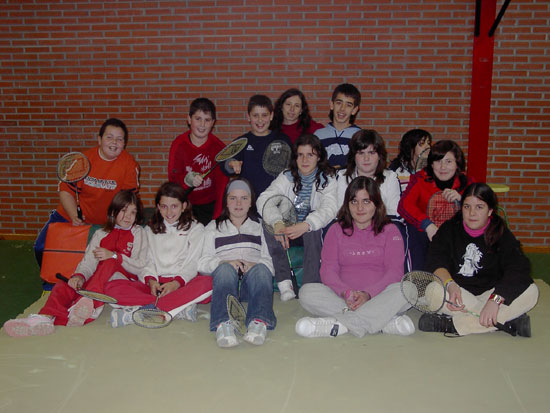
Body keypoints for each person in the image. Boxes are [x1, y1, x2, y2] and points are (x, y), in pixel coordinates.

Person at [4, 190, 148, 337]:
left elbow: (139, 265)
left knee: (109, 263)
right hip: (97, 281)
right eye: (123, 210)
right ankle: (45, 317)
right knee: (65, 284)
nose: (128, 216)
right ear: (113, 211)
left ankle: (83, 305)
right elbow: (88, 262)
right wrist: (79, 277)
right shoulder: (101, 234)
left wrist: (115, 256)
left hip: (122, 282)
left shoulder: (138, 233)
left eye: (133, 212)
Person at [295, 176, 414, 338]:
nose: (360, 208)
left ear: (377, 203)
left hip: (379, 295)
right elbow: (328, 270)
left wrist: (368, 294)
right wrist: (346, 293)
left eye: (366, 201)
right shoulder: (336, 230)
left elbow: (395, 272)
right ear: (347, 204)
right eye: (354, 201)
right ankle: (383, 322)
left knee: (409, 289)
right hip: (344, 298)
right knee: (307, 292)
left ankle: (340, 325)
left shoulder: (391, 230)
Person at [419, 183, 538, 336]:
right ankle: (507, 321)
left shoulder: (501, 233)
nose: (472, 213)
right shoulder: (449, 229)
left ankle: (451, 325)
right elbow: (434, 260)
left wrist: (495, 300)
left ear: (490, 211)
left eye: (479, 207)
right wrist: (450, 284)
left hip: (491, 293)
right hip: (459, 295)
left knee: (531, 291)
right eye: (467, 207)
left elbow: (519, 268)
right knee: (433, 291)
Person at [103, 182, 212, 327]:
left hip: (181, 283)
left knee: (208, 283)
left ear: (184, 206)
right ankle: (175, 309)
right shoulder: (149, 230)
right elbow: (147, 261)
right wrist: (151, 281)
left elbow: (192, 263)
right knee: (112, 287)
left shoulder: (196, 228)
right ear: (158, 207)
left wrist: (176, 283)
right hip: (154, 286)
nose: (169, 212)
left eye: (174, 206)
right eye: (164, 207)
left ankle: (139, 311)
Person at [34, 118, 140, 266]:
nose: (114, 142)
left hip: (103, 224)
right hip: (68, 215)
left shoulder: (129, 164)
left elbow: (127, 203)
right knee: (41, 248)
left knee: (89, 259)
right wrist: (73, 216)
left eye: (119, 139)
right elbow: (65, 191)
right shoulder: (83, 160)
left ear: (124, 143)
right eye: (109, 137)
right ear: (99, 139)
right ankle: (49, 284)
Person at [257, 134, 338, 301]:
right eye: (300, 154)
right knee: (268, 223)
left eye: (310, 155)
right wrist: (278, 223)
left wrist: (307, 224)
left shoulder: (327, 178)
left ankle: (310, 285)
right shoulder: (287, 175)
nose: (305, 159)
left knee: (313, 226)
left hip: (308, 232)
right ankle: (285, 283)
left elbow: (330, 208)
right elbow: (264, 199)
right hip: (287, 230)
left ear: (319, 157)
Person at [198, 178, 276, 348]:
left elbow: (271, 261)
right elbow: (202, 263)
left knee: (262, 270)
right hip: (224, 286)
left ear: (251, 202)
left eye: (244, 198)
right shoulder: (213, 227)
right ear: (226, 201)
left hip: (252, 286)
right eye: (233, 198)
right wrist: (224, 262)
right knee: (225, 269)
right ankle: (223, 324)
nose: (238, 203)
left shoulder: (261, 227)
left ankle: (258, 322)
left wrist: (254, 265)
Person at [397, 140, 474, 270]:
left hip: (457, 237)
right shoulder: (419, 179)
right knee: (414, 231)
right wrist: (427, 225)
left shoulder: (467, 183)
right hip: (426, 236)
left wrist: (463, 201)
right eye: (438, 161)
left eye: (448, 162)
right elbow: (404, 206)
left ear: (457, 164)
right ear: (431, 164)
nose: (443, 167)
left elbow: (482, 211)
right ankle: (420, 277)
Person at [168, 97, 228, 225]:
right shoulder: (178, 145)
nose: (202, 125)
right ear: (189, 119)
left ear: (213, 122)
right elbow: (173, 179)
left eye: (207, 120)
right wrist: (187, 180)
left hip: (210, 207)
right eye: (198, 119)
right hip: (185, 204)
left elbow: (222, 187)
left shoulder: (219, 148)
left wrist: (216, 217)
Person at [223, 94, 293, 196]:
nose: (260, 120)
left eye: (264, 115)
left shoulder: (283, 139)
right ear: (248, 117)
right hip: (250, 202)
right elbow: (224, 162)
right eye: (255, 115)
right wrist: (231, 163)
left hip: (276, 200)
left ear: (271, 116)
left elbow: (293, 166)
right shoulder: (242, 142)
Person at [337, 129, 400, 216]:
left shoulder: (390, 177)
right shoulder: (342, 177)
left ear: (379, 156)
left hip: (381, 226)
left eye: (371, 153)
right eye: (361, 153)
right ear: (353, 156)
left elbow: (394, 212)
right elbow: (340, 211)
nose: (366, 158)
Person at [314, 83, 361, 168]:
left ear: (354, 110)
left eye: (348, 105)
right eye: (339, 103)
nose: (342, 108)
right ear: (332, 104)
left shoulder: (360, 136)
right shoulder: (318, 135)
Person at [389, 128, 432, 193]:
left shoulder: (432, 168)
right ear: (410, 147)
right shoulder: (395, 169)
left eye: (428, 143)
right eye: (422, 143)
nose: (427, 147)